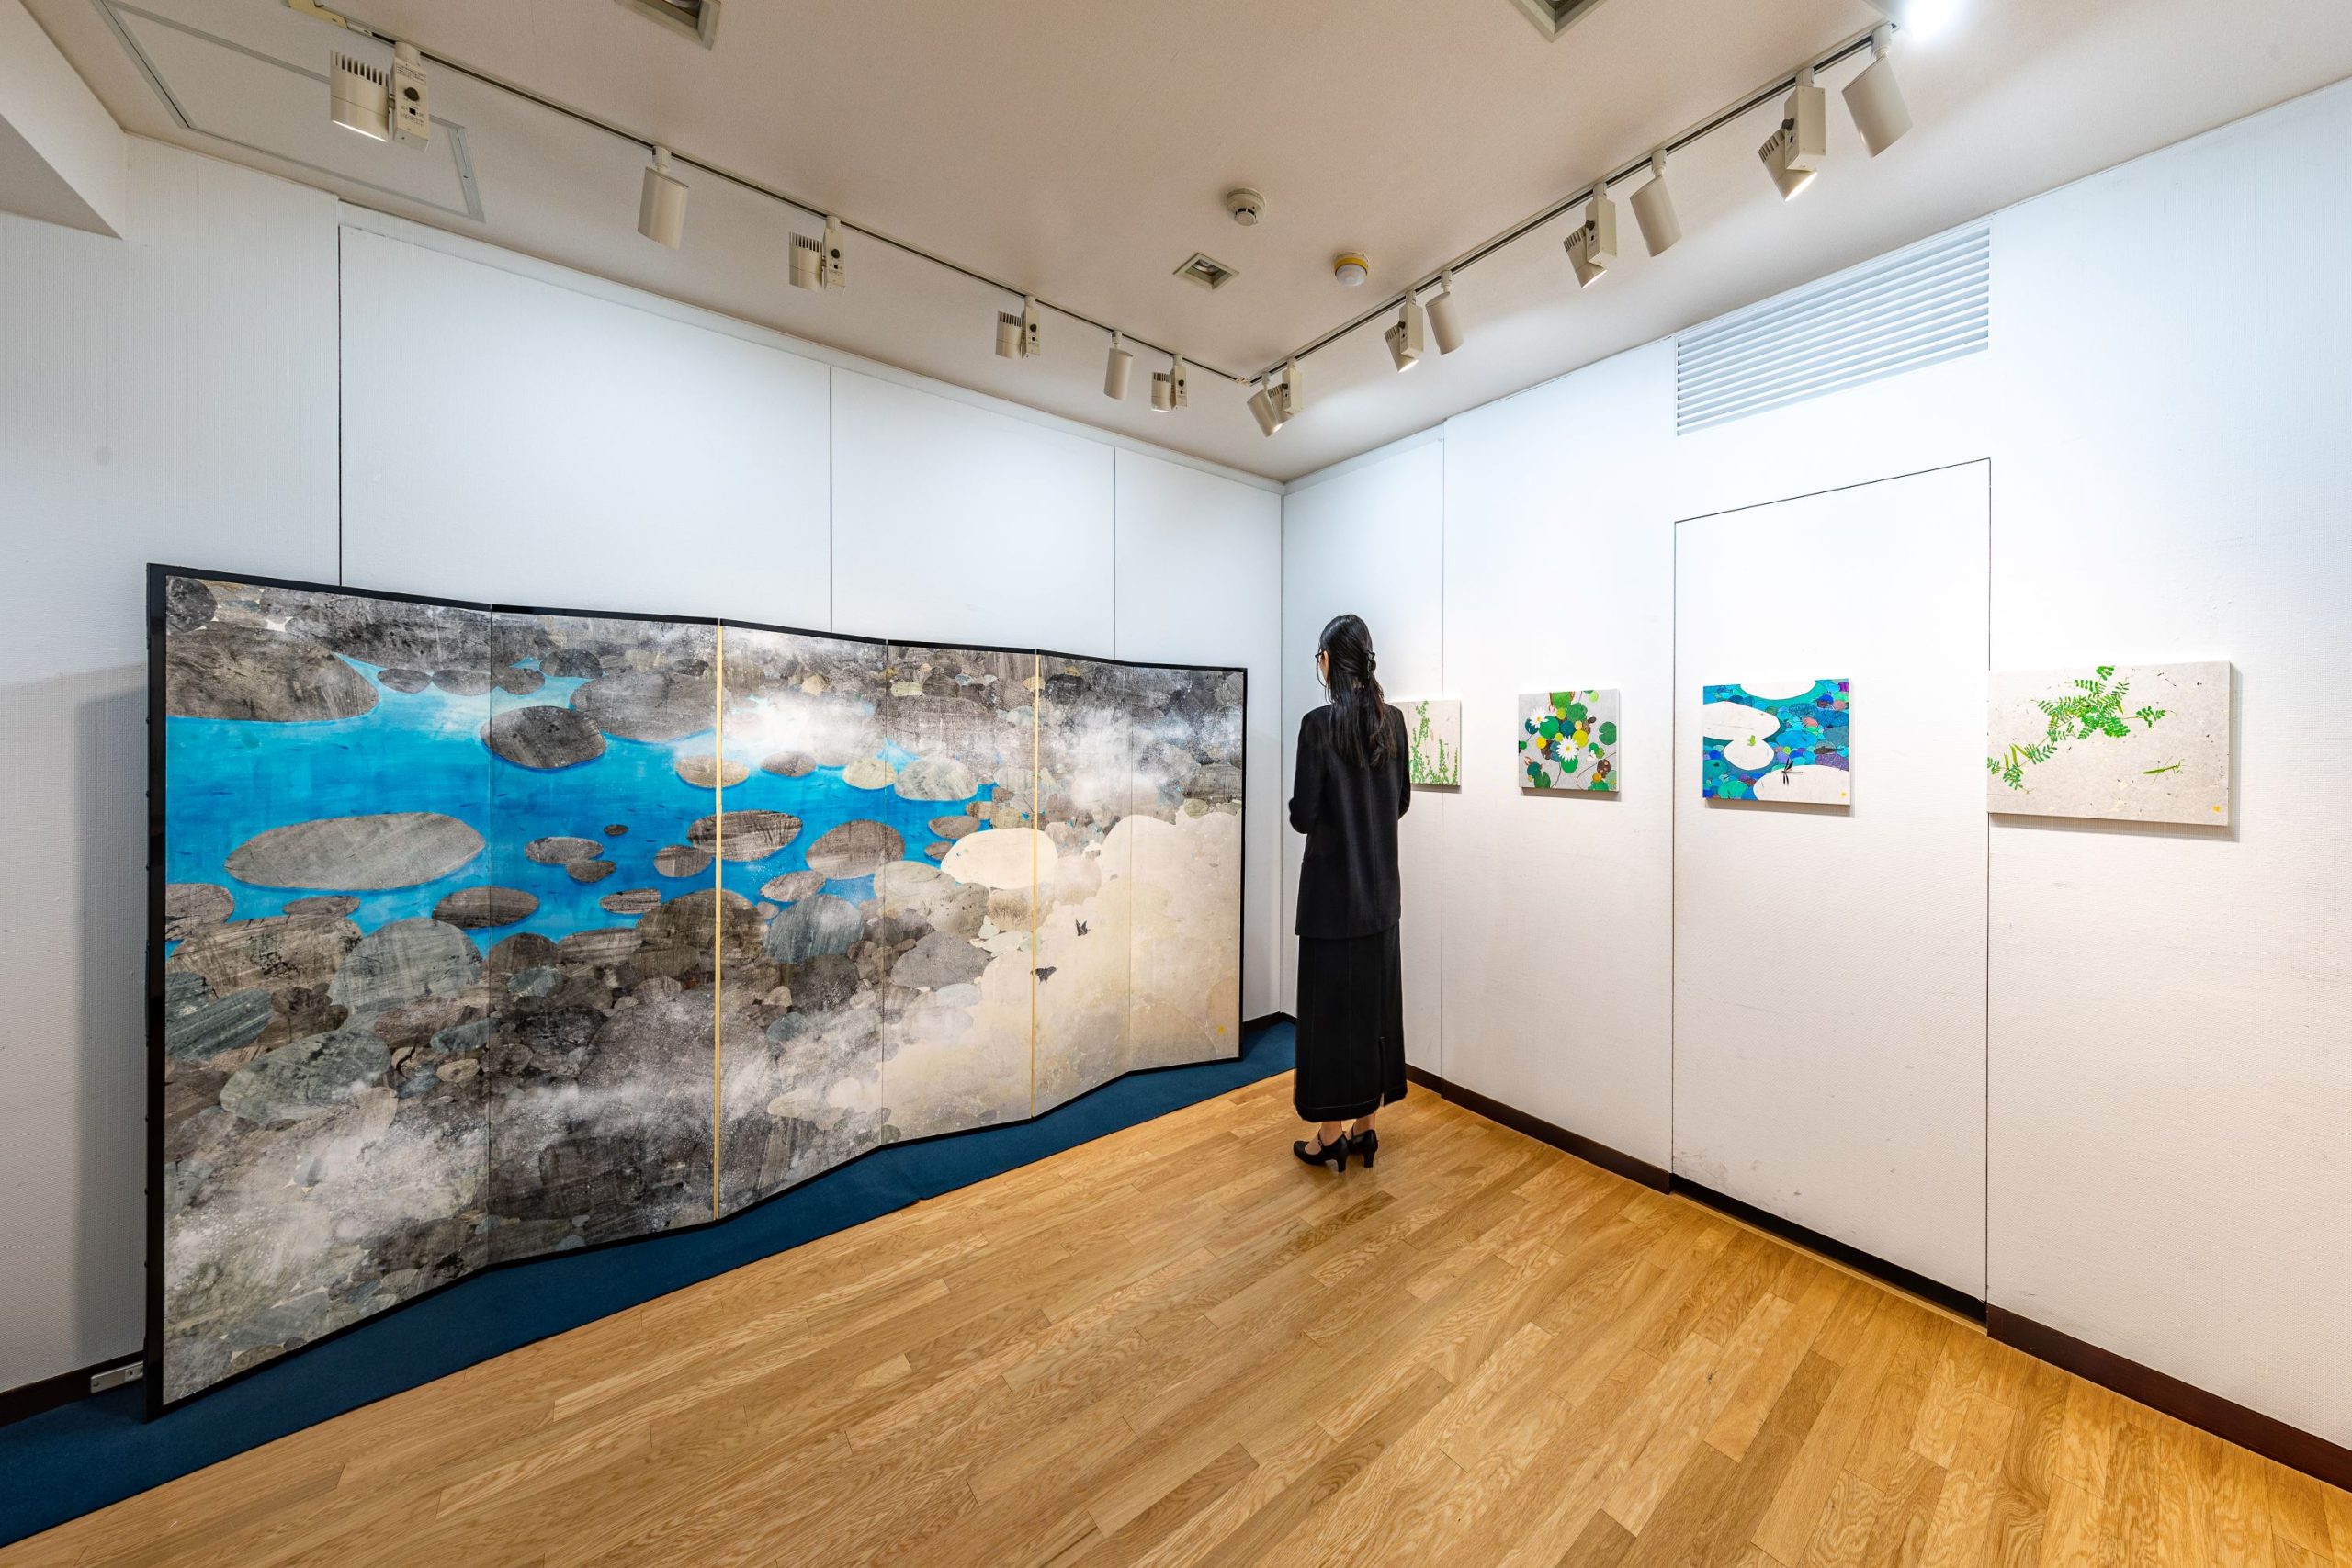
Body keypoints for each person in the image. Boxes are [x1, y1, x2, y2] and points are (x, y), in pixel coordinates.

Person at [1286, 613, 1410, 1171]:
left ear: (1329, 661)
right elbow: (1400, 801)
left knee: (1329, 1021)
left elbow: (1303, 816)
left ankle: (1329, 1134)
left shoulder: (1318, 726)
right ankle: (1366, 1129)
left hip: (1331, 902)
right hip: (1382, 900)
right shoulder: (1395, 723)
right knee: (1374, 1015)